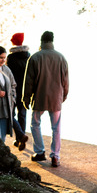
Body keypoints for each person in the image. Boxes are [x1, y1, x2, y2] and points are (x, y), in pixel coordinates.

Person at [23, 31, 69, 167]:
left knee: (35, 123)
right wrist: (64, 95)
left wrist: (26, 98)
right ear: (52, 41)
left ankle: (40, 151)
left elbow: (29, 81)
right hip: (56, 98)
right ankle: (55, 156)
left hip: (39, 96)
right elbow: (65, 80)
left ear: (41, 41)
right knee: (56, 127)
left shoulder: (35, 57)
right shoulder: (61, 58)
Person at [6, 32, 30, 150]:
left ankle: (19, 136)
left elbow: (7, 75)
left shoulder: (10, 58)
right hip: (25, 90)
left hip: (13, 90)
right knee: (22, 114)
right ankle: (20, 138)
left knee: (10, 114)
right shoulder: (28, 57)